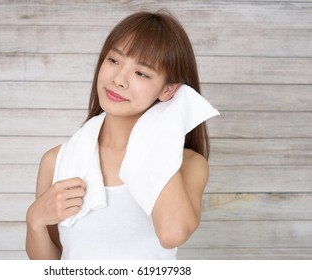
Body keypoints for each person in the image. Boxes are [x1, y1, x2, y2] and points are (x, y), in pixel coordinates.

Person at [26, 11, 218, 260]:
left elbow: (172, 234)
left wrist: (165, 126)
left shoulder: (189, 164)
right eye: (114, 61)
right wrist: (34, 220)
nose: (118, 80)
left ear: (168, 89)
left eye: (141, 73)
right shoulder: (57, 161)